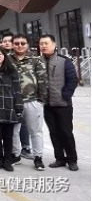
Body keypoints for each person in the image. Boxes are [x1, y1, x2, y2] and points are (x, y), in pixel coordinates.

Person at [39, 34, 79, 171]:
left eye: (46, 43)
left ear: (54, 45)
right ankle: (60, 159)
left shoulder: (64, 61)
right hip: (47, 105)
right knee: (54, 132)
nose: (43, 46)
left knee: (66, 132)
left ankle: (72, 160)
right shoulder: (38, 62)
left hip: (63, 105)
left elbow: (73, 80)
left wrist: (65, 95)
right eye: (41, 44)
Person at [9, 33, 47, 170]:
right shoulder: (7, 60)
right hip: (13, 102)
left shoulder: (36, 60)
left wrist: (41, 100)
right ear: (13, 45)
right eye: (17, 43)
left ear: (28, 45)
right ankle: (15, 155)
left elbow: (42, 80)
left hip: (32, 101)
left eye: (23, 43)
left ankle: (38, 157)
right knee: (14, 131)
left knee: (35, 131)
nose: (19, 46)